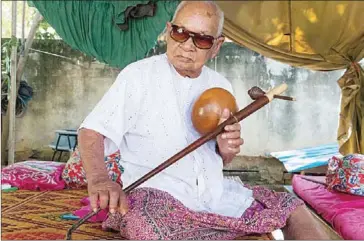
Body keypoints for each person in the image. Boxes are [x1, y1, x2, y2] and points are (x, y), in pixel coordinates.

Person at [70, 1, 330, 239]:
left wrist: (226, 148)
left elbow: (223, 157)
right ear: (168, 30)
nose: (187, 46)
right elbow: (91, 132)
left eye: (202, 40)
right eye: (181, 33)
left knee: (294, 208)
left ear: (217, 46)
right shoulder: (137, 76)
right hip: (157, 197)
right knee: (147, 228)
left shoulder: (220, 85)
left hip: (216, 195)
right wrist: (99, 180)